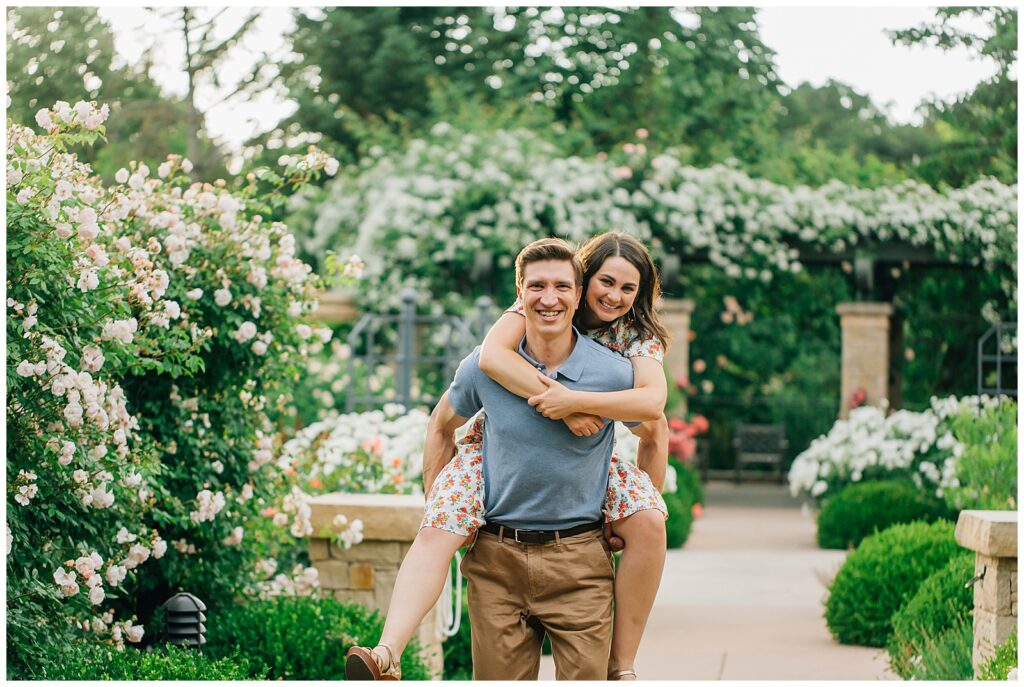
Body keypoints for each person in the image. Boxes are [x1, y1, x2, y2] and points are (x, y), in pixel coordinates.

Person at [346, 234, 670, 680]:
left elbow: (654, 412)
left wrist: (579, 405)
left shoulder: (631, 347)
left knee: (651, 521)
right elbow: (491, 361)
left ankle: (623, 666)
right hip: (492, 451)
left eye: (627, 289)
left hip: (588, 478)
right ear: (585, 280)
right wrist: (562, 402)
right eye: (606, 281)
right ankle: (387, 652)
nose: (613, 296)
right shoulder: (521, 316)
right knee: (437, 528)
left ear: (576, 292)